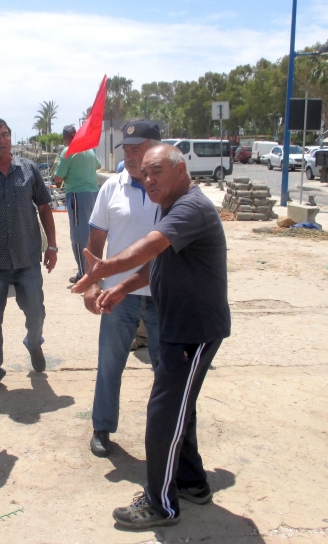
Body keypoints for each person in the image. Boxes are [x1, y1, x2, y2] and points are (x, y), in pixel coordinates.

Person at [73, 144, 230, 529]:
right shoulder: (172, 205)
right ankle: (192, 483)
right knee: (179, 409)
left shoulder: (191, 207)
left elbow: (154, 245)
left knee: (163, 415)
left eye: (156, 170)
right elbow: (158, 262)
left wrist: (105, 267)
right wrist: (122, 286)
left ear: (181, 170)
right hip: (180, 325)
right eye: (144, 173)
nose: (149, 179)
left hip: (194, 329)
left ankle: (161, 505)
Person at [82, 120, 162, 457]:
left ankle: (168, 434)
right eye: (126, 150)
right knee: (109, 365)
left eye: (138, 148)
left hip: (162, 296)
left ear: (158, 148)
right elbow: (96, 241)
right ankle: (102, 428)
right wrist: (91, 285)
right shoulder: (111, 188)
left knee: (168, 371)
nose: (130, 155)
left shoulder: (172, 191)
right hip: (118, 296)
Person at [0, 117, 58, 394]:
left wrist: (53, 246)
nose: (2, 140)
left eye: (5, 134)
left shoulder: (29, 169)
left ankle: (34, 344)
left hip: (27, 258)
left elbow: (45, 207)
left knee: (36, 312)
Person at [53, 125, 100, 284]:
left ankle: (83, 273)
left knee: (78, 236)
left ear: (65, 138)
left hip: (77, 195)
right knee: (92, 233)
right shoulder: (88, 149)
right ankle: (94, 269)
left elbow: (58, 177)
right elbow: (98, 166)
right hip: (94, 194)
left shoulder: (68, 151)